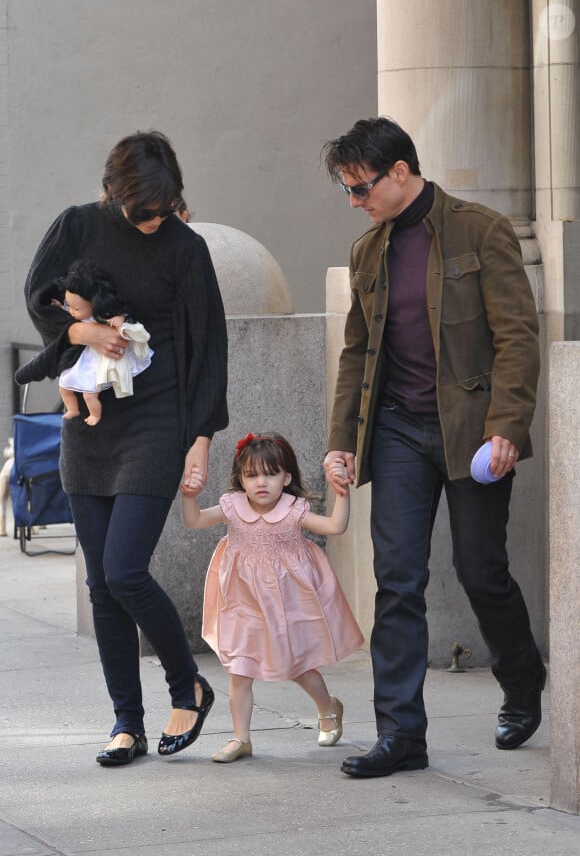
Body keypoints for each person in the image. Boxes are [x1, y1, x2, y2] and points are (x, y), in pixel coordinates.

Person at [321, 117, 545, 778]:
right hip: (396, 430)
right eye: (348, 192)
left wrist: (507, 423)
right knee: (397, 580)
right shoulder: (370, 253)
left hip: (473, 430)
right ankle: (400, 733)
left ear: (399, 172)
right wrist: (342, 441)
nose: (355, 202)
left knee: (481, 570)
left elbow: (518, 337)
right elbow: (358, 350)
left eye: (360, 188)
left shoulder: (480, 230)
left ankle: (523, 678)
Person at [22, 130, 228, 766]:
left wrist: (200, 441)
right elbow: (39, 296)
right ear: (115, 193)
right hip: (91, 426)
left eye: (163, 209)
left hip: (157, 422)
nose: (154, 221)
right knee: (104, 587)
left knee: (123, 570)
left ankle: (186, 686)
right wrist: (83, 328)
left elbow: (210, 348)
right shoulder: (78, 226)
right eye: (143, 210)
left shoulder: (187, 249)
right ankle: (125, 722)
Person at [181, 432, 364, 763]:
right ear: (240, 479)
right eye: (251, 475)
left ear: (287, 477)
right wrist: (189, 495)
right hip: (241, 602)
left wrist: (342, 494)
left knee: (298, 666)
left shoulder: (293, 511)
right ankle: (241, 738)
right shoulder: (232, 508)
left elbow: (335, 526)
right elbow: (192, 521)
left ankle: (328, 707)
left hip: (286, 603)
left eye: (270, 473)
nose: (260, 483)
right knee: (239, 669)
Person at [18, 260, 153, 426]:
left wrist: (119, 318)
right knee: (64, 387)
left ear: (93, 303)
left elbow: (124, 318)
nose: (73, 312)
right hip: (82, 358)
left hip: (96, 361)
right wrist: (62, 307)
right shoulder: (78, 315)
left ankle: (95, 415)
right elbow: (68, 311)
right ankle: (72, 409)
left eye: (77, 308)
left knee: (90, 394)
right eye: (70, 307)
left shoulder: (100, 316)